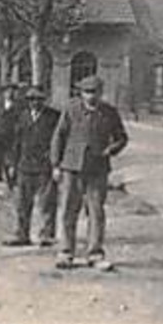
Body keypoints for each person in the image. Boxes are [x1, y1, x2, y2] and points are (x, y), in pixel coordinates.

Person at [49, 73, 129, 270]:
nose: (91, 96)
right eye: (87, 92)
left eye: (95, 92)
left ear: (101, 93)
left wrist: (110, 150)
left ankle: (95, 253)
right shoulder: (71, 109)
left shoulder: (109, 112)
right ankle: (66, 252)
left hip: (97, 169)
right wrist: (55, 165)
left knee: (96, 212)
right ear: (81, 93)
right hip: (71, 167)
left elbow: (121, 137)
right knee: (68, 210)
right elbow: (58, 137)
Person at [3, 86, 61, 247]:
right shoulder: (22, 117)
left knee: (47, 203)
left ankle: (46, 234)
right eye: (31, 99)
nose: (35, 103)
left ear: (45, 100)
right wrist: (12, 164)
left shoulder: (54, 117)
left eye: (39, 99)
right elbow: (16, 142)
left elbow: (59, 141)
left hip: (45, 166)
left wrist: (56, 164)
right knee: (22, 203)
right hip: (24, 165)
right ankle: (21, 234)